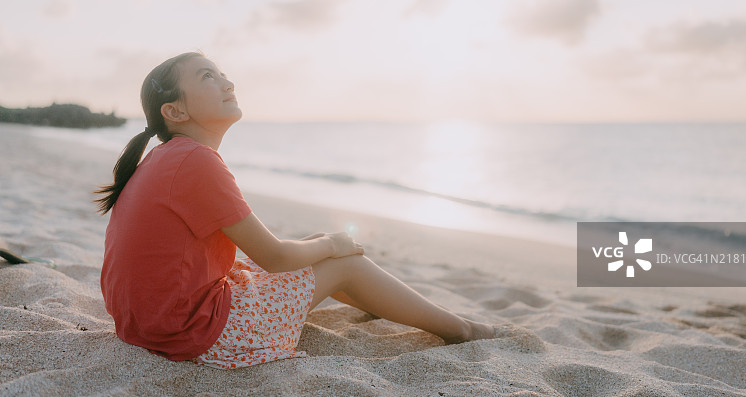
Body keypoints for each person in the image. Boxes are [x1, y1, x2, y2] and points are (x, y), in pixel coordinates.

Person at [96, 52, 494, 369]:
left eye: (220, 73)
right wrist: (333, 244)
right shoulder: (196, 161)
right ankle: (461, 329)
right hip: (192, 335)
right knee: (344, 262)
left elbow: (269, 256)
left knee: (317, 248)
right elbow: (276, 258)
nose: (227, 82)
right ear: (176, 112)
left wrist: (322, 243)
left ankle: (386, 302)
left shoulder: (166, 157)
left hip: (146, 327)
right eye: (207, 77)